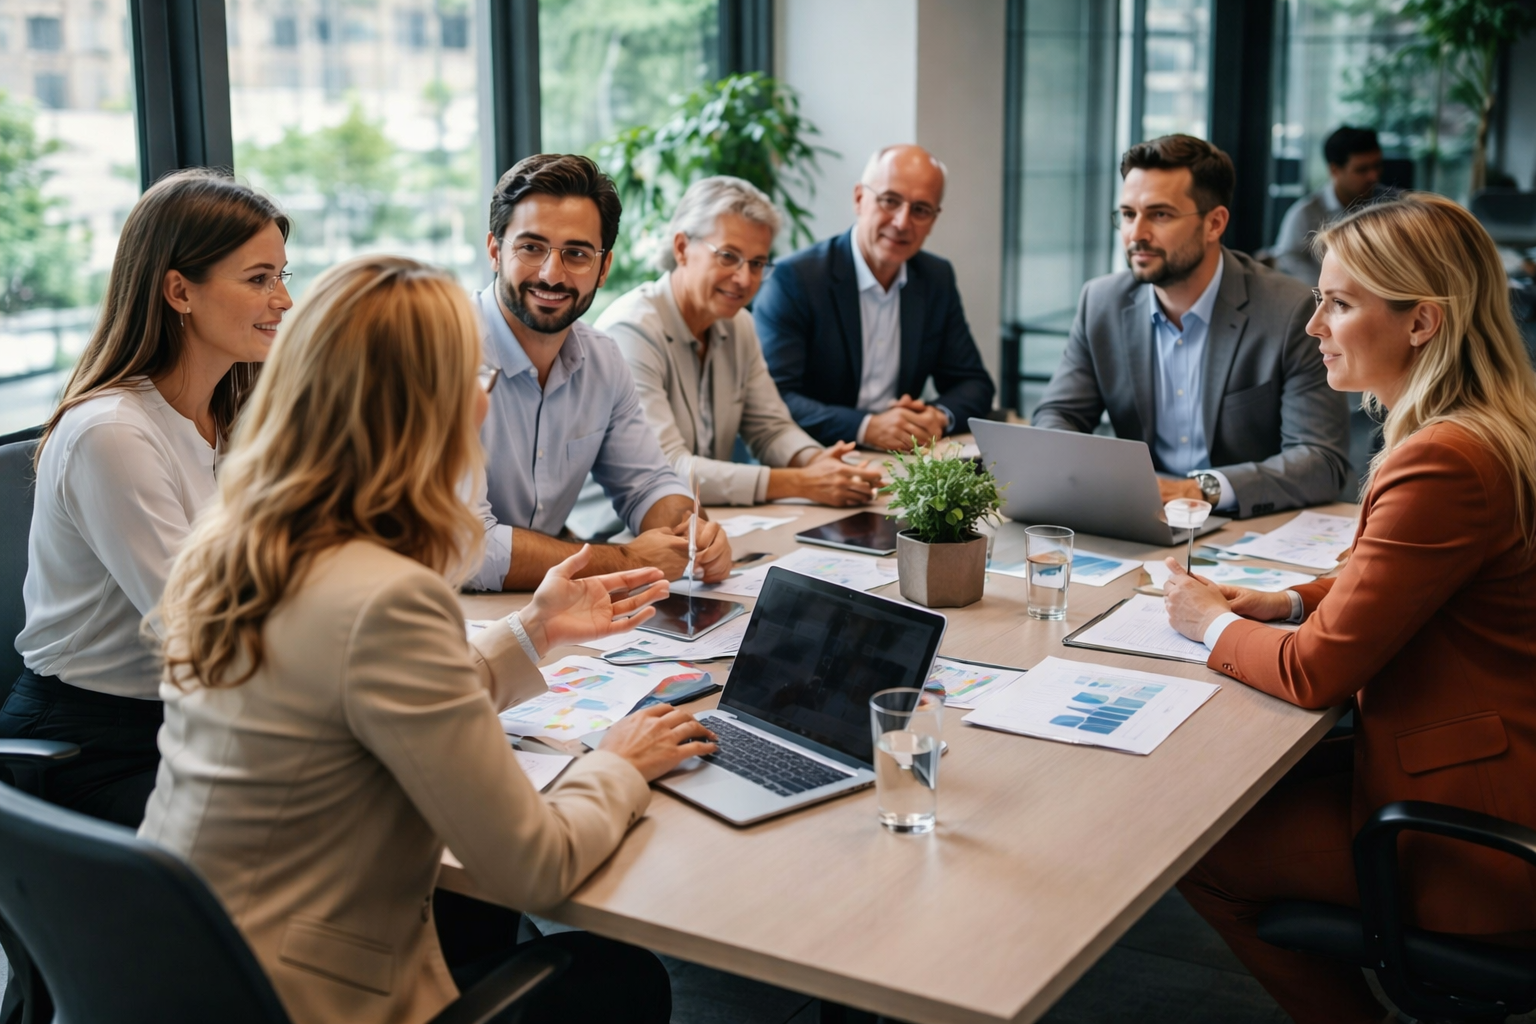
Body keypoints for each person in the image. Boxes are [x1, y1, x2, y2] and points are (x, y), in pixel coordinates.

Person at [139, 255, 717, 1024]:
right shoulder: (386, 594)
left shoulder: (241, 542)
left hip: (182, 962)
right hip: (305, 995)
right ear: (427, 408)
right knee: (622, 977)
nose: (485, 398)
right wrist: (616, 765)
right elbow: (534, 868)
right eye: (473, 376)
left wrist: (535, 629)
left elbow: (355, 689)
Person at [1161, 193, 1536, 1024]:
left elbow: (1316, 670)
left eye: (1339, 302)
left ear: (1422, 323)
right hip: (1486, 761)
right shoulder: (1486, 427)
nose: (1313, 324)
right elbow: (1402, 573)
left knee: (1196, 847)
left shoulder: (1443, 456)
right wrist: (1285, 598)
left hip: (1469, 833)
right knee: (1232, 796)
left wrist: (1209, 622)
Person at [3, 169, 291, 827]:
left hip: (197, 718)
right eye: (258, 279)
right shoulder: (112, 434)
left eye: (283, 276)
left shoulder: (232, 416)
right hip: (95, 750)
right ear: (179, 291)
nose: (283, 301)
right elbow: (202, 633)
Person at [1031, 135, 1350, 518]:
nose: (1137, 234)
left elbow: (1322, 461)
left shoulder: (1288, 310)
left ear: (1214, 223)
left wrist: (1198, 489)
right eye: (1128, 214)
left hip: (1245, 523)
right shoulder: (1101, 303)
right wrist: (1096, 480)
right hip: (1142, 514)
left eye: (1160, 215)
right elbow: (1057, 415)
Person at [468, 154, 731, 592]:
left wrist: (690, 534)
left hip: (538, 607)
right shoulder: (445, 356)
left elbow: (647, 481)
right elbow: (468, 550)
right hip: (437, 611)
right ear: (495, 250)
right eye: (531, 248)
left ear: (603, 268)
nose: (552, 274)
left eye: (576, 254)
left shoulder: (602, 360)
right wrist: (625, 559)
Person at [597, 176, 883, 507]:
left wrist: (817, 462)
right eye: (728, 256)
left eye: (757, 263)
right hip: (611, 537)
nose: (744, 279)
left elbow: (771, 429)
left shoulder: (739, 325)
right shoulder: (631, 330)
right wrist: (801, 482)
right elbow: (667, 470)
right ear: (681, 248)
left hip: (704, 524)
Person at [753, 145, 996, 452]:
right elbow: (773, 398)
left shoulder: (935, 278)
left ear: (933, 220)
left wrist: (936, 418)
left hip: (902, 460)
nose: (902, 222)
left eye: (920, 209)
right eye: (890, 201)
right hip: (814, 459)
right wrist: (867, 426)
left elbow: (974, 383)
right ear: (859, 198)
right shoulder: (795, 279)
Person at [1273, 127, 1386, 287]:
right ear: (1335, 170)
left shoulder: (1392, 204)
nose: (1373, 176)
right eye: (1362, 170)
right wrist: (1329, 290)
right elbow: (1289, 259)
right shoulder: (1306, 213)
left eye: (1377, 166)